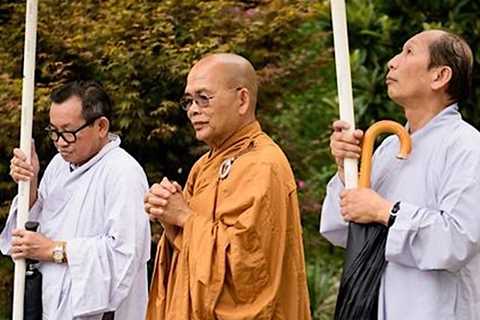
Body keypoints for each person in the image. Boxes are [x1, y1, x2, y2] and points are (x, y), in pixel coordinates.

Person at [321, 29, 480, 319]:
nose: (392, 62)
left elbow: (457, 241)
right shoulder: (388, 147)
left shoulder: (467, 146)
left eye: (409, 52)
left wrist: (385, 211)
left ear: (439, 76)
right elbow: (344, 232)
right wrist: (347, 172)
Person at [144, 53, 311, 319]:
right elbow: (192, 253)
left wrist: (184, 216)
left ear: (242, 100)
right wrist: (169, 217)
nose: (193, 110)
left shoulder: (261, 164)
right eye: (188, 101)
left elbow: (248, 269)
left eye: (203, 98)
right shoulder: (203, 165)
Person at [1, 81, 151, 319]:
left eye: (69, 133)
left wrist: (53, 250)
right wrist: (29, 182)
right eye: (54, 132)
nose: (60, 142)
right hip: (51, 305)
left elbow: (125, 253)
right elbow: (29, 229)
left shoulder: (123, 172)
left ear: (101, 126)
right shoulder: (59, 165)